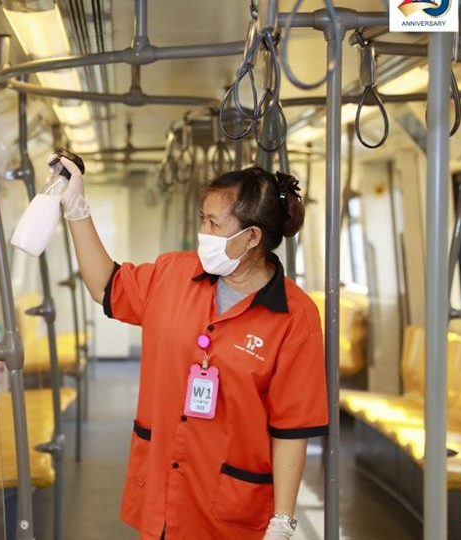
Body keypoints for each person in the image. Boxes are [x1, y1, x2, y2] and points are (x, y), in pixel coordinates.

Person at [58, 160, 328, 540]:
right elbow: (106, 284)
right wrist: (76, 208)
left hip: (230, 504)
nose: (203, 232)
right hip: (164, 493)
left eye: (215, 224)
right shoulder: (173, 274)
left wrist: (282, 520)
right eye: (203, 219)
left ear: (253, 237)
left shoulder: (294, 317)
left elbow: (291, 428)